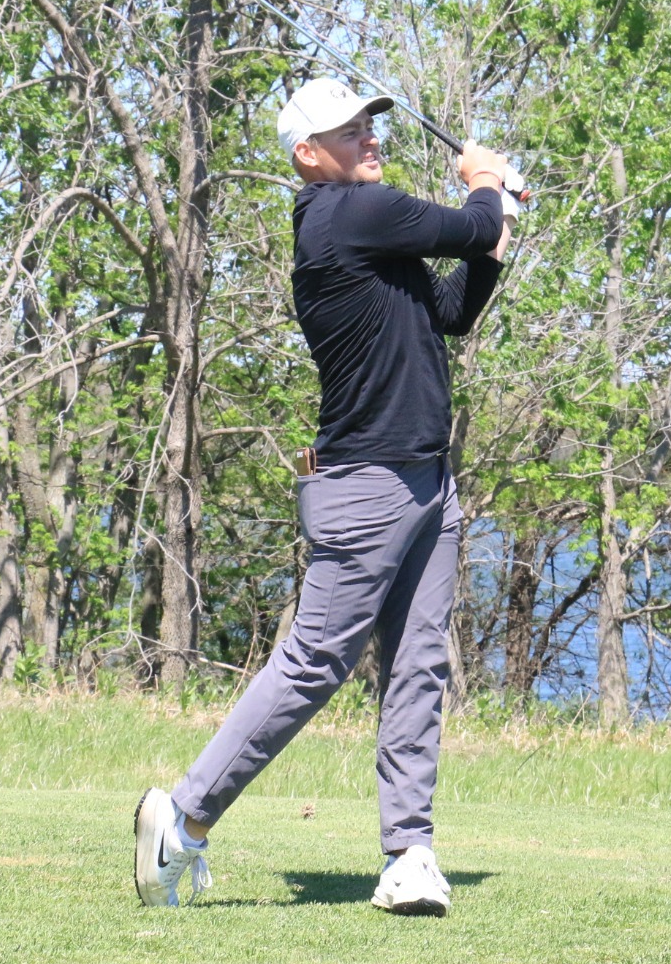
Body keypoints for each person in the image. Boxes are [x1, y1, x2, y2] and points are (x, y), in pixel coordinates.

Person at [133, 76, 518, 917]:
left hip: (427, 479)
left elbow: (449, 312)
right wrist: (486, 184)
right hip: (367, 484)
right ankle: (184, 817)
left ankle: (409, 854)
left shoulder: (369, 229)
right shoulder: (346, 214)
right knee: (313, 663)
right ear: (310, 156)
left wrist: (493, 244)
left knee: (418, 667)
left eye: (368, 125)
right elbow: (470, 221)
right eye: (349, 132)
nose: (367, 138)